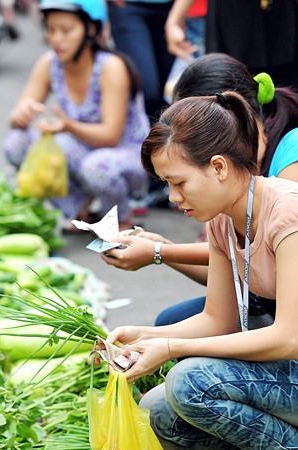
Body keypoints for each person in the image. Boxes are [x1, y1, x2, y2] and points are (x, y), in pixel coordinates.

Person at [103, 91, 298, 449]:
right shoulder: (222, 220)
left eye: (179, 183)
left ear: (219, 167)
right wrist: (141, 337)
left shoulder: (288, 214)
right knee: (157, 409)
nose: (173, 197)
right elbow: (217, 319)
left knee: (190, 382)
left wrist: (171, 347)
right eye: (166, 185)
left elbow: (289, 337)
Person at [101, 52, 298, 326]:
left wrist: (160, 251)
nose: (173, 197)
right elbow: (231, 274)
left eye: (179, 182)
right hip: (260, 296)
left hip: (285, 311)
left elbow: (286, 332)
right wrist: (160, 248)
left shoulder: (287, 177)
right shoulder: (223, 202)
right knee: (170, 323)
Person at [3, 0, 150, 232]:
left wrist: (68, 126)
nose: (57, 39)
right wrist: (20, 115)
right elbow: (18, 114)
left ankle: (119, 218)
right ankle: (79, 209)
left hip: (125, 154)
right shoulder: (49, 63)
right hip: (82, 149)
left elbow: (111, 136)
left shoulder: (111, 67)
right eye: (50, 30)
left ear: (91, 29)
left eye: (66, 30)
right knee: (17, 143)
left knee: (95, 166)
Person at [165, 0, 298, 87]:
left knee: (288, 92)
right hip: (232, 20)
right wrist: (174, 19)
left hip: (283, 19)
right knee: (229, 84)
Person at [107, 0, 175, 123]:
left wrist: (177, 17)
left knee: (171, 91)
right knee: (146, 89)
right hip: (128, 7)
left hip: (172, 9)